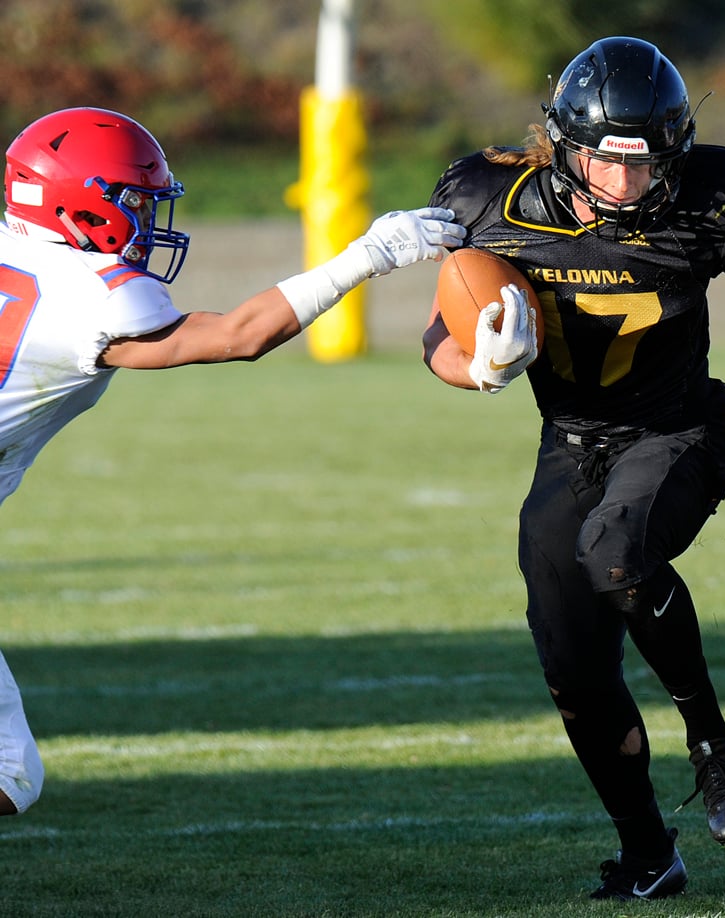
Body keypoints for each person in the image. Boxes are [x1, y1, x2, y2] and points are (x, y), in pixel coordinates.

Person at [422, 36, 725, 901]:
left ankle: (713, 742)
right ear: (564, 144)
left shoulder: (709, 195)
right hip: (571, 442)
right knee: (573, 673)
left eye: (644, 164)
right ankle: (649, 857)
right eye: (605, 163)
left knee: (615, 555)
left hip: (680, 431)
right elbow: (440, 338)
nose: (626, 185)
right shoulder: (489, 196)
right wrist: (481, 368)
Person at [0, 106, 465, 817]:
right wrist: (366, 256)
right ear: (79, 204)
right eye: (132, 201)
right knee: (11, 774)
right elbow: (240, 336)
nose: (147, 220)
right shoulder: (89, 295)